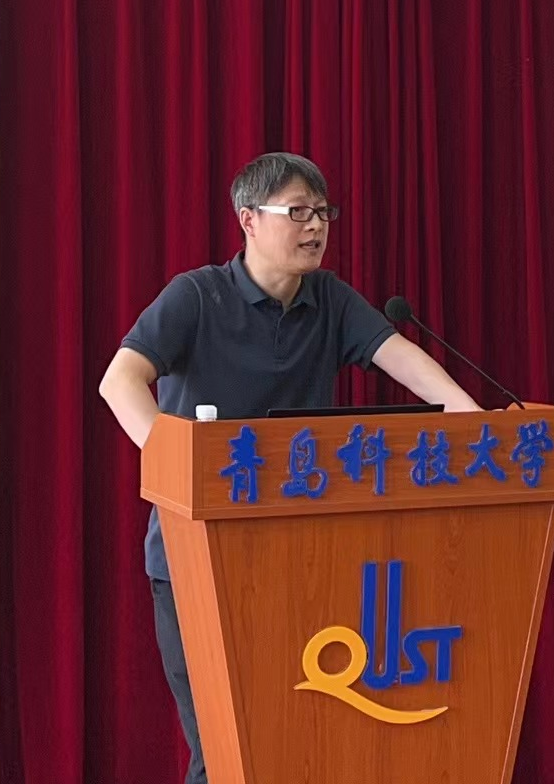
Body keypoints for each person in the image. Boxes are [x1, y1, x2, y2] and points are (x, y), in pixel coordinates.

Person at [98, 152, 483, 784]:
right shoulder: (197, 295)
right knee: (222, 747)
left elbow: (401, 358)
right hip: (196, 555)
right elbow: (119, 381)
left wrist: (471, 417)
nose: (316, 226)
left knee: (292, 737)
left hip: (295, 558)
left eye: (323, 213)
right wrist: (175, 460)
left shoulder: (329, 299)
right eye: (298, 211)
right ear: (248, 219)